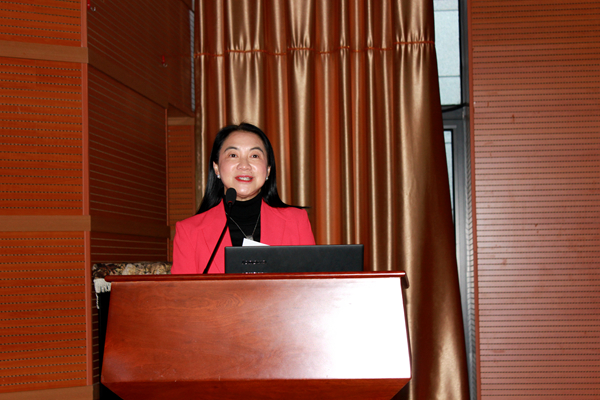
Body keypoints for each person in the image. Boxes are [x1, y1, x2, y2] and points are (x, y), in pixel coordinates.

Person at [171, 123, 315, 274]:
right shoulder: (189, 232)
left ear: (268, 170)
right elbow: (183, 289)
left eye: (254, 156)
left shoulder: (296, 222)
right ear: (216, 167)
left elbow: (313, 285)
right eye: (233, 155)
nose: (244, 165)